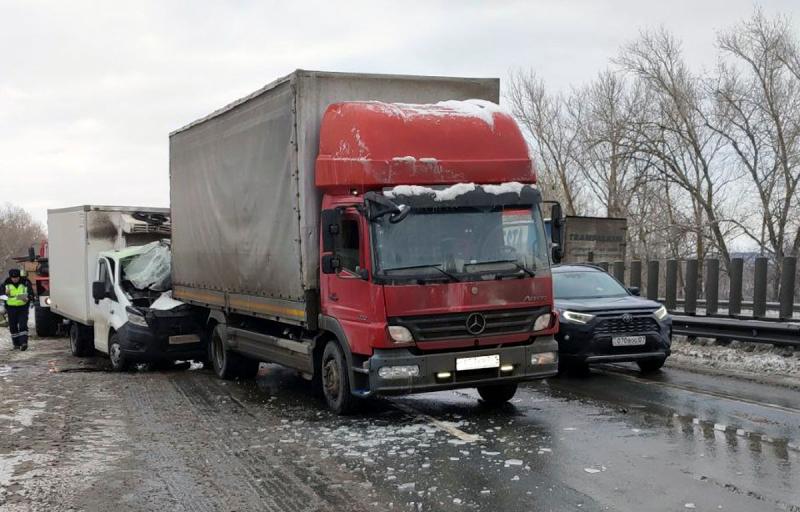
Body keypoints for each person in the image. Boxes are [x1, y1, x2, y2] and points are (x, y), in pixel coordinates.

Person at [3, 269, 34, 351]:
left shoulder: (25, 282)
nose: (15, 279)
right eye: (13, 278)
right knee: (13, 327)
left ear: (19, 276)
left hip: (22, 308)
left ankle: (24, 343)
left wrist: (28, 298)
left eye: (16, 277)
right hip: (11, 308)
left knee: (23, 325)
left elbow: (31, 294)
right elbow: (1, 295)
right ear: (10, 277)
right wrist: (6, 294)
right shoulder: (6, 283)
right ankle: (16, 344)